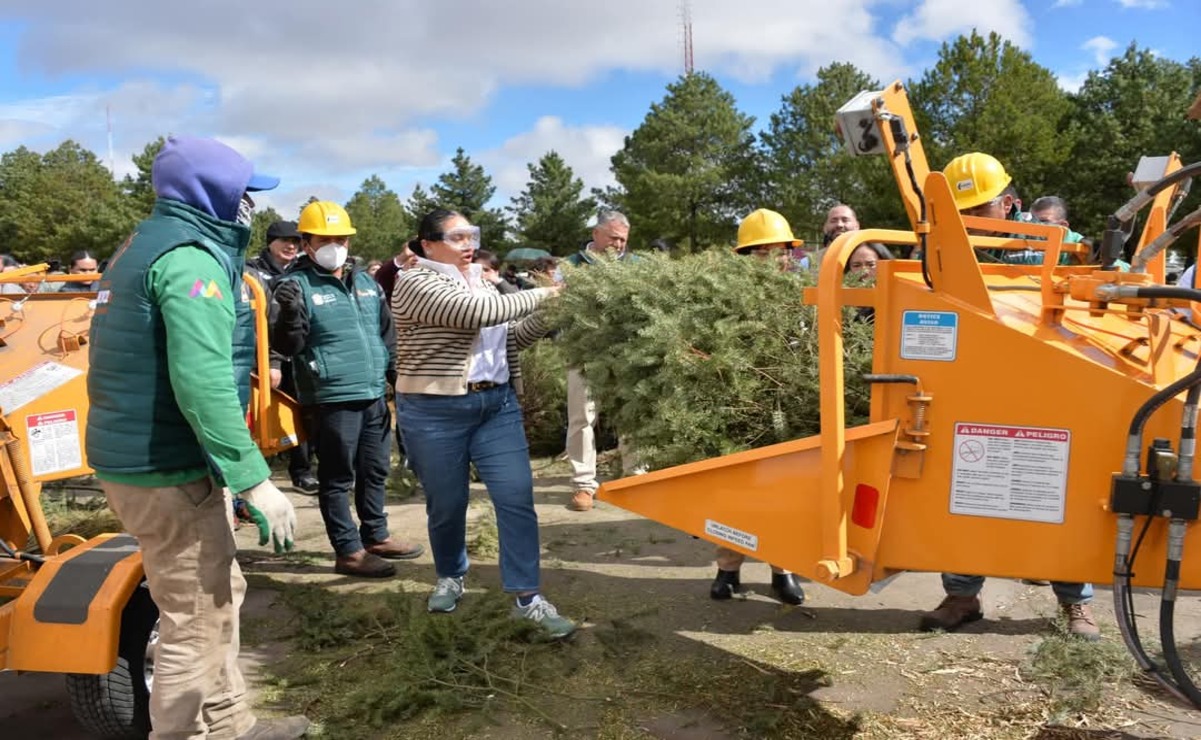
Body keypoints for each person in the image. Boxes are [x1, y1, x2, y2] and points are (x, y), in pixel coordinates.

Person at [85, 136, 308, 740]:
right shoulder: (191, 261)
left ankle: (232, 723)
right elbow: (203, 384)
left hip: (136, 457)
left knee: (216, 595)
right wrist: (254, 480)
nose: (250, 208)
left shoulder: (143, 242)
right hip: (168, 469)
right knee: (195, 620)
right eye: (245, 194)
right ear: (216, 194)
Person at [922, 153, 1099, 640]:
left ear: (1010, 203)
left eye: (980, 210)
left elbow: (1108, 269)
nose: (970, 222)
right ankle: (962, 597)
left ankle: (1075, 605)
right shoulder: (948, 247)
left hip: (1053, 386)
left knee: (1057, 494)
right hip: (977, 384)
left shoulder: (1054, 243)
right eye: (962, 213)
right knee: (964, 492)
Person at [392, 208, 575, 638]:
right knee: (447, 502)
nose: (468, 244)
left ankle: (527, 596)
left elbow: (507, 338)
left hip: (496, 405)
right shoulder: (415, 282)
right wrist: (550, 295)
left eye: (470, 235)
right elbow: (475, 313)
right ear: (427, 244)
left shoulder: (480, 280)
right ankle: (451, 574)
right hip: (434, 411)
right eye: (456, 238)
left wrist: (548, 316)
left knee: (516, 497)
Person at [272, 201, 424, 578]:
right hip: (331, 398)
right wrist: (290, 316)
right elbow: (288, 347)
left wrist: (397, 379)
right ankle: (348, 550)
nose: (334, 245)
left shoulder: (366, 282)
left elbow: (385, 336)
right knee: (338, 477)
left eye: (340, 238)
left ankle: (375, 535)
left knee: (375, 471)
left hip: (373, 393)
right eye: (325, 239)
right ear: (306, 242)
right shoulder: (294, 286)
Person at [706, 209, 809, 606]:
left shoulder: (802, 293)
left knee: (784, 489)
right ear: (746, 257)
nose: (772, 259)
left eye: (778, 251)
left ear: (788, 253)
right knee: (733, 489)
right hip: (737, 401)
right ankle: (727, 570)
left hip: (785, 404)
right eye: (760, 253)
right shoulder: (727, 297)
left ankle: (783, 570)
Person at [563, 210, 642, 512]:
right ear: (595, 234)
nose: (619, 244)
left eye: (623, 239)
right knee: (582, 416)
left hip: (628, 353)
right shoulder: (571, 267)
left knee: (632, 414)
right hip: (582, 352)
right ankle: (584, 485)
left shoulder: (637, 266)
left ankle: (635, 479)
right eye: (613, 237)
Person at [246, 220, 319, 494]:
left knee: (304, 415)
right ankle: (256, 479)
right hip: (265, 358)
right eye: (284, 240)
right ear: (269, 243)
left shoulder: (305, 270)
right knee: (262, 418)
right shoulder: (251, 273)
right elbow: (256, 323)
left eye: (296, 241)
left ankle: (302, 471)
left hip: (302, 356)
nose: (291, 246)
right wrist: (272, 361)